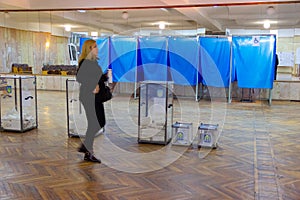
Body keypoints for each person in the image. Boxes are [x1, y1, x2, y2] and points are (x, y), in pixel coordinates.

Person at [76, 39, 105, 163]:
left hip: (96, 98)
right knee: (95, 123)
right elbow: (80, 78)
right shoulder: (85, 62)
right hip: (88, 97)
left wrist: (104, 77)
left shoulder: (93, 62)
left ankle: (86, 147)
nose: (97, 49)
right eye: (94, 47)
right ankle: (88, 151)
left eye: (96, 46)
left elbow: (96, 76)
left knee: (100, 122)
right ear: (89, 49)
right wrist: (93, 85)